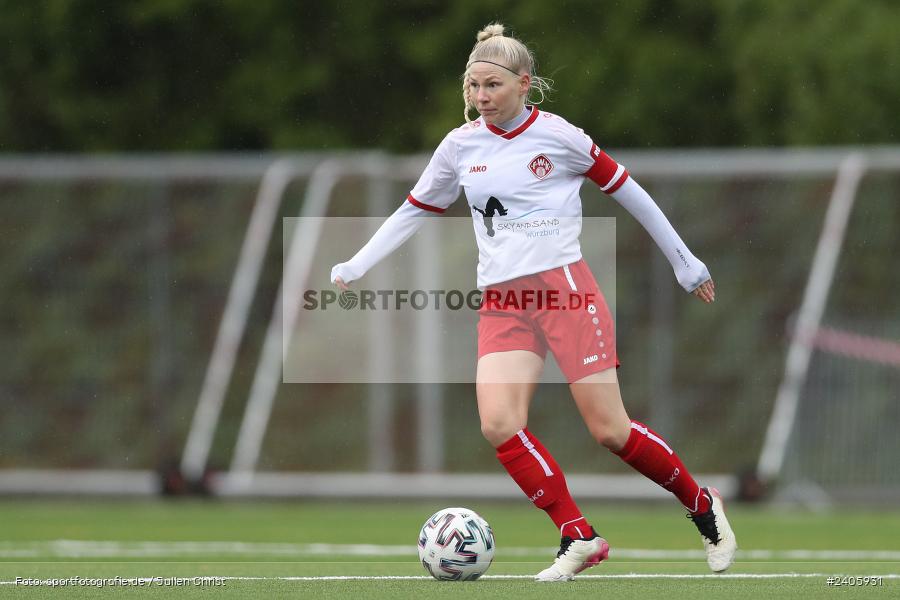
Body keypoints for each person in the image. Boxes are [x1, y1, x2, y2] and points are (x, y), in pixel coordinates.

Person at [331, 23, 737, 582]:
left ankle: (702, 506)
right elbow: (415, 209)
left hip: (565, 291)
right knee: (499, 422)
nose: (480, 97)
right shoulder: (459, 145)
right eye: (473, 86)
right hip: (502, 300)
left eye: (492, 85)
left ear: (525, 84)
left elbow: (631, 192)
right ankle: (578, 536)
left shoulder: (560, 136)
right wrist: (357, 264)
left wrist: (685, 262)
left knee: (609, 431)